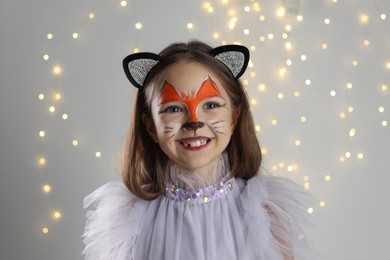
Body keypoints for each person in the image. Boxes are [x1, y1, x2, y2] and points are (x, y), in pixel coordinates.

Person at [82, 40, 313, 259]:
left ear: (234, 116)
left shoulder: (264, 211)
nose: (194, 122)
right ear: (151, 126)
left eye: (211, 105)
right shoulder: (130, 218)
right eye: (173, 109)